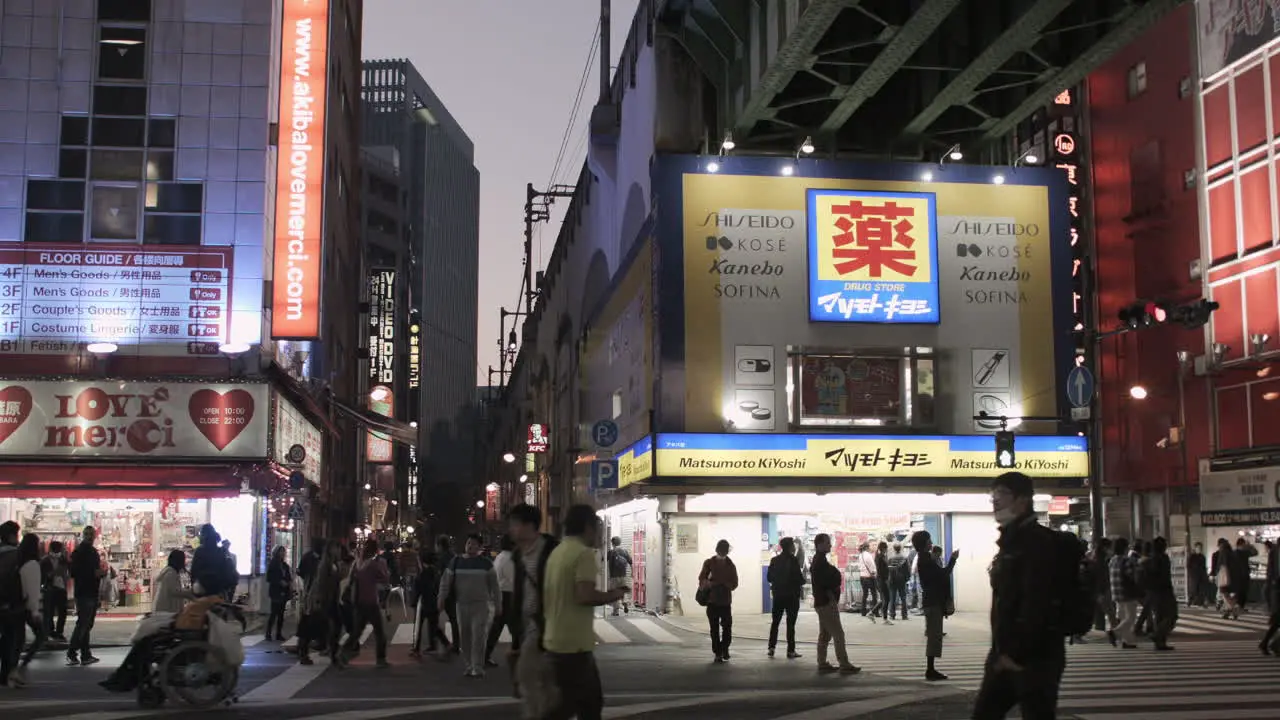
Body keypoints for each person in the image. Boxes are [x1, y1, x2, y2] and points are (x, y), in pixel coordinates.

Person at [972, 472, 1065, 720]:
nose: (995, 501)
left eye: (1001, 495)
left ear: (1022, 500)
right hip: (1006, 656)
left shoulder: (1037, 543)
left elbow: (1037, 601)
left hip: (1034, 658)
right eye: (993, 496)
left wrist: (1015, 653)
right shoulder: (1010, 542)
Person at [541, 505, 627, 719]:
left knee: (573, 705)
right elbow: (584, 595)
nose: (599, 533)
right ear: (588, 527)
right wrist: (615, 594)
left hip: (556, 640)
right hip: (574, 645)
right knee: (582, 707)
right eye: (597, 527)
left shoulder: (558, 552)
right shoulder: (583, 554)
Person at [509, 503, 558, 716]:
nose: (511, 529)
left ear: (530, 526)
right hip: (528, 624)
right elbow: (518, 591)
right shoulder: (517, 555)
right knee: (543, 681)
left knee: (527, 675)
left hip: (547, 622)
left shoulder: (551, 550)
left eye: (515, 524)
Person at [438, 533, 498, 677]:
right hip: (462, 604)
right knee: (464, 635)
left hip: (481, 605)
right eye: (468, 543)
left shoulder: (486, 563)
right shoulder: (456, 561)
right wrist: (441, 598)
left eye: (474, 544)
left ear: (480, 547)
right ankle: (469, 664)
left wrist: (498, 603)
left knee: (478, 635)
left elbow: (495, 586)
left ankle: (477, 666)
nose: (471, 546)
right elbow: (445, 582)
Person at [810, 532, 859, 675]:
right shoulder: (820, 562)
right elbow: (828, 580)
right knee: (838, 633)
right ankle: (843, 663)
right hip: (825, 601)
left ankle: (822, 662)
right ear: (819, 544)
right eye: (827, 542)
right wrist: (835, 579)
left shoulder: (819, 560)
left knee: (825, 634)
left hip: (822, 601)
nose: (830, 545)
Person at [913, 529, 958, 681]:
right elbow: (943, 575)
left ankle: (931, 669)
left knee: (935, 635)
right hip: (932, 602)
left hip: (931, 600)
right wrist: (953, 559)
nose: (931, 543)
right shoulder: (926, 560)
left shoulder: (925, 558)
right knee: (934, 636)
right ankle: (930, 670)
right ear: (924, 544)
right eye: (929, 541)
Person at [297, 540, 343, 667]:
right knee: (312, 626)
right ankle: (308, 650)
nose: (338, 551)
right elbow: (319, 583)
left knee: (333, 627)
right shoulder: (324, 564)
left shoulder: (334, 563)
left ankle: (331, 653)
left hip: (331, 599)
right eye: (336, 548)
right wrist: (317, 600)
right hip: (321, 600)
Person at [4, 530, 42, 688]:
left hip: (14, 606)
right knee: (39, 636)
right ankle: (18, 669)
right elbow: (32, 590)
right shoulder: (32, 564)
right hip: (24, 607)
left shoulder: (19, 561)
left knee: (16, 640)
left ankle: (13, 671)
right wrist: (35, 611)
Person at [346, 541, 390, 668]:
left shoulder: (357, 563)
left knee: (357, 631)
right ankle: (381, 659)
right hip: (371, 600)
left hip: (358, 600)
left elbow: (351, 579)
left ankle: (343, 654)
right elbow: (384, 579)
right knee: (379, 632)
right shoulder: (374, 564)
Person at [67, 525, 104, 666]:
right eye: (87, 534)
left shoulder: (84, 551)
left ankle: (85, 654)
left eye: (91, 534)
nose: (89, 536)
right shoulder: (83, 551)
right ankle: (72, 652)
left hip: (87, 591)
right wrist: (95, 573)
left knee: (86, 624)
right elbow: (75, 572)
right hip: (86, 592)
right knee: (83, 624)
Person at [698, 539, 738, 663]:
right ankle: (718, 652)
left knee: (726, 628)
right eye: (723, 549)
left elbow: (735, 583)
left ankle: (723, 649)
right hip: (713, 600)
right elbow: (702, 578)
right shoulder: (709, 563)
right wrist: (712, 584)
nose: (724, 552)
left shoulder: (730, 565)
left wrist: (726, 584)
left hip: (725, 601)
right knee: (714, 628)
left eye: (725, 550)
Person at [766, 536, 804, 659]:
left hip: (778, 596)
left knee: (775, 622)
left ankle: (771, 648)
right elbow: (799, 579)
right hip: (791, 596)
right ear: (789, 547)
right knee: (790, 624)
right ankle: (790, 651)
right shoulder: (793, 560)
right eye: (793, 545)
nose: (794, 547)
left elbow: (769, 578)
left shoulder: (774, 560)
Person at [486, 535, 518, 668]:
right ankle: (518, 655)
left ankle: (485, 655)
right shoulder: (510, 558)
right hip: (507, 594)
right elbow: (513, 578)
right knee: (514, 628)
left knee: (498, 627)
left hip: (500, 593)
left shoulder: (499, 557)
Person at [410, 551, 449, 658]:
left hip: (423, 603)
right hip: (434, 602)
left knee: (418, 627)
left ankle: (416, 649)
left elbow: (418, 590)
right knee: (434, 626)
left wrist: (414, 602)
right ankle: (445, 643)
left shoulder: (422, 574)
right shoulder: (437, 572)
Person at [1147, 537, 1177, 652]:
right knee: (1171, 615)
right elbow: (1165, 576)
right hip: (1164, 590)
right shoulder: (1163, 558)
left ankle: (1160, 643)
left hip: (1153, 591)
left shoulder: (1150, 557)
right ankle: (1157, 635)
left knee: (1159, 616)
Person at [191, 525, 235, 599]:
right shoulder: (221, 551)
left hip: (203, 591)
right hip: (219, 591)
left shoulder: (199, 551)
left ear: (204, 536)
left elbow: (194, 572)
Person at [436, 534, 461, 653]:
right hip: (455, 590)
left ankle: (444, 643)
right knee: (454, 619)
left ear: (440, 546)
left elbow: (440, 577)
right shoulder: (455, 557)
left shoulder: (442, 558)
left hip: (445, 590)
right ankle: (456, 644)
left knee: (435, 618)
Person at [40, 541, 70, 642]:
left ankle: (59, 632)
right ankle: (51, 631)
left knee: (63, 611)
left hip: (62, 588)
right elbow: (43, 576)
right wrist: (53, 574)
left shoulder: (63, 559)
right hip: (50, 588)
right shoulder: (45, 560)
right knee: (50, 611)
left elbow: (67, 572)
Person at [153, 549, 194, 614]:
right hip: (166, 612)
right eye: (183, 560)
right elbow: (175, 591)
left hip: (164, 610)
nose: (184, 563)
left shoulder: (169, 572)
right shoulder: (171, 574)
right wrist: (190, 593)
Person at [266, 545, 293, 641]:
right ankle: (268, 633)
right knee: (274, 613)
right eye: (280, 551)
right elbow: (269, 577)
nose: (282, 553)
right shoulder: (273, 564)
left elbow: (289, 577)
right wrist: (279, 581)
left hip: (284, 591)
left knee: (281, 614)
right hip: (276, 591)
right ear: (276, 552)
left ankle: (278, 633)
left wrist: (289, 584)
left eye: (283, 552)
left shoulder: (285, 565)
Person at [606, 536, 633, 616]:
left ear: (612, 543)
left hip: (614, 576)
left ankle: (616, 611)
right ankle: (624, 602)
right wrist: (632, 572)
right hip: (623, 575)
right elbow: (631, 562)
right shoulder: (625, 551)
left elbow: (603, 560)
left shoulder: (611, 552)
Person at [887, 542, 911, 621]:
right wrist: (907, 578)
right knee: (903, 597)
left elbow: (888, 570)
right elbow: (908, 569)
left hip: (892, 579)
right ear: (900, 548)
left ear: (894, 549)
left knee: (892, 597)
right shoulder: (904, 558)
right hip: (901, 579)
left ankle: (892, 615)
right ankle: (904, 615)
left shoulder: (890, 558)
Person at [1187, 542, 1210, 608]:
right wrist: (1191, 574)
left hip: (1201, 576)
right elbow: (1188, 566)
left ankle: (1202, 603)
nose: (1199, 549)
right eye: (1198, 547)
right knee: (1193, 589)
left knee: (1202, 590)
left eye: (1200, 548)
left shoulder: (1202, 557)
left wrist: (1205, 575)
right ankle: (1190, 601)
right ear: (1195, 548)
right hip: (1194, 575)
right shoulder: (1192, 556)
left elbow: (1204, 567)